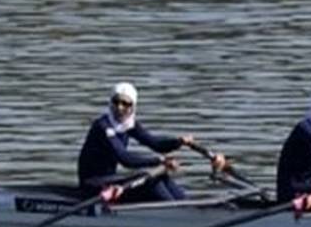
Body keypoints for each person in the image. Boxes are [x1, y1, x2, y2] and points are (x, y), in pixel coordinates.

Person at [77, 82, 225, 202]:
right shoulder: (103, 126)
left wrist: (179, 142)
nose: (119, 107)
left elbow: (154, 143)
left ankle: (187, 206)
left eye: (125, 103)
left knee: (161, 176)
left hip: (109, 180)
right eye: (116, 102)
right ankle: (181, 216)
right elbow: (124, 158)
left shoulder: (129, 125)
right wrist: (159, 161)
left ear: (133, 107)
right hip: (93, 185)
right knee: (151, 181)